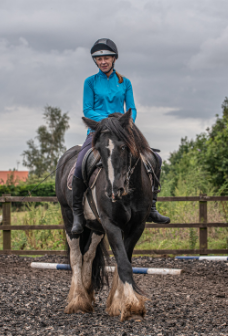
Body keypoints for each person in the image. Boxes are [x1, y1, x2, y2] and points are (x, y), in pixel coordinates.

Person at [71, 38, 170, 234]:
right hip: (98, 132)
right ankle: (77, 215)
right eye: (99, 59)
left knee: (155, 158)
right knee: (80, 164)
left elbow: (131, 108)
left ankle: (151, 208)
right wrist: (109, 122)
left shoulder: (125, 83)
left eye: (106, 58)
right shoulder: (89, 82)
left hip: (123, 133)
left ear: (114, 58)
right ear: (96, 62)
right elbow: (88, 110)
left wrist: (124, 124)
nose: (103, 62)